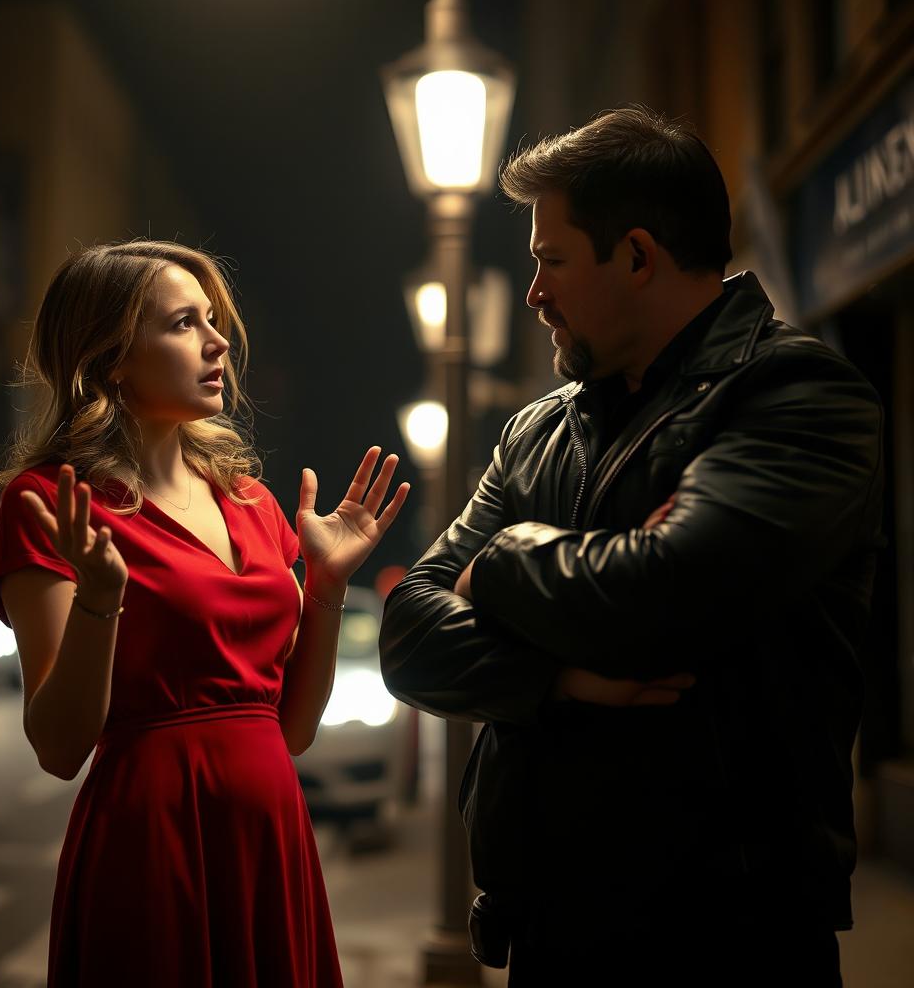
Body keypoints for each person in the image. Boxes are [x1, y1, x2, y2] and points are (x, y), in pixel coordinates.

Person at [378, 106, 883, 986]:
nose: (535, 291)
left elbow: (664, 596)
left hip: (731, 938)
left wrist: (498, 564)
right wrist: (561, 678)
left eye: (551, 260)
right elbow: (409, 636)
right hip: (546, 934)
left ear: (639, 256)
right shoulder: (539, 429)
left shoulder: (795, 391)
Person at [0, 240, 408, 988]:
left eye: (212, 320)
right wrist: (98, 602)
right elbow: (58, 746)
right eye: (184, 324)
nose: (218, 343)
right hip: (151, 843)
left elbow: (292, 731)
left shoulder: (251, 501)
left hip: (271, 833)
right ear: (111, 357)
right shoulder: (50, 503)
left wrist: (330, 587)